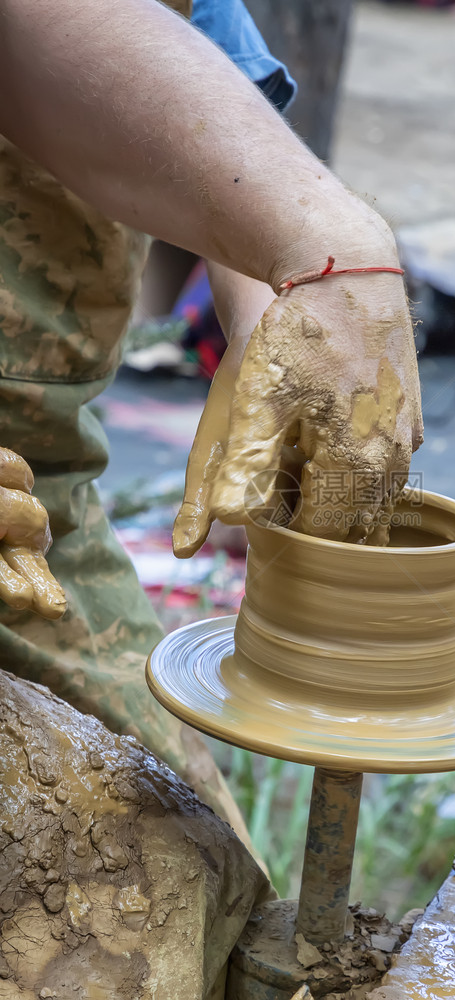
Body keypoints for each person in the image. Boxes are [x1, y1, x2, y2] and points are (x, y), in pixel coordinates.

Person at [0, 0, 423, 849]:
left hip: (33, 505)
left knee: (191, 855)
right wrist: (334, 242)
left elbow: (206, 99)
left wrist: (296, 291)